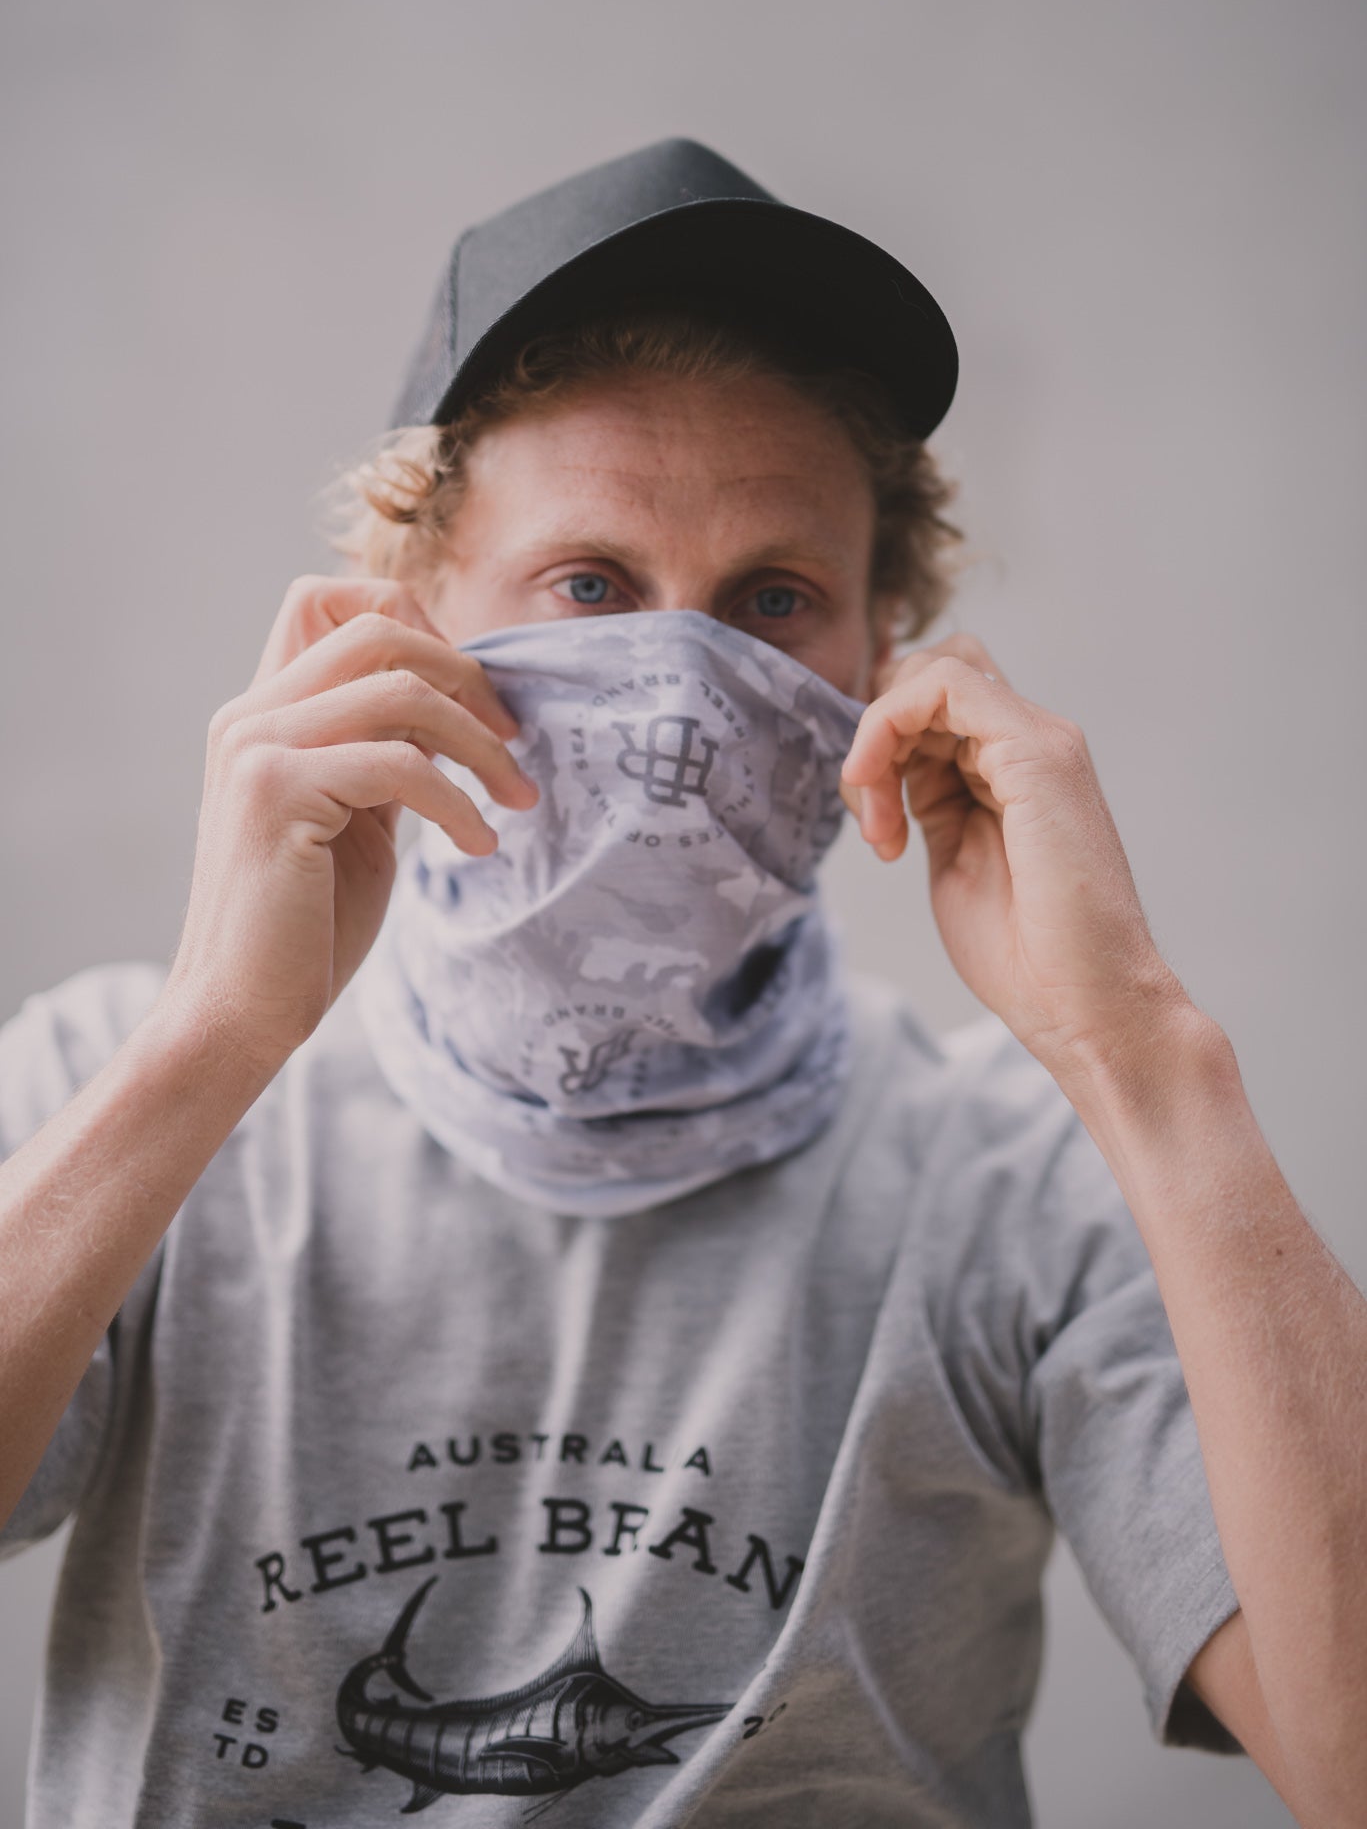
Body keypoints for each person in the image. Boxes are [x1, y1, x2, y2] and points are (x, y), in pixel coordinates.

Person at [0, 139, 1362, 1829]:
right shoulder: (101, 1089)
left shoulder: (1019, 1191)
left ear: (884, 660)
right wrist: (213, 1039)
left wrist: (1142, 1050)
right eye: (589, 586)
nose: (680, 682)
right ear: (407, 617)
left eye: (773, 601)